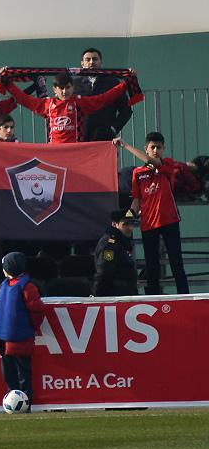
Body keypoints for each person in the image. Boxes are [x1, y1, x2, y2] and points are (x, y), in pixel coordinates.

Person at [114, 132, 189, 294]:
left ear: (163, 149)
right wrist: (125, 219)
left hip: (169, 221)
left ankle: (184, 297)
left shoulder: (167, 164)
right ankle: (154, 298)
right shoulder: (138, 173)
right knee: (151, 265)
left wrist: (126, 146)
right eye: (152, 147)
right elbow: (136, 201)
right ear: (146, 148)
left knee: (176, 263)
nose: (155, 150)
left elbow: (151, 162)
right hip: (148, 224)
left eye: (158, 147)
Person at [3, 69, 129, 143]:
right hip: (54, 153)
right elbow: (24, 99)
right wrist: (7, 83)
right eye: (61, 88)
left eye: (68, 87)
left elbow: (103, 99)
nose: (64, 91)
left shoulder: (79, 102)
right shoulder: (47, 104)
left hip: (76, 152)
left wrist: (125, 84)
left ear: (72, 87)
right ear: (54, 89)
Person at [0, 252, 45, 407]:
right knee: (8, 373)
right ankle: (13, 401)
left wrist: (30, 327)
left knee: (23, 373)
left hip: (20, 337)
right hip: (3, 338)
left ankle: (25, 402)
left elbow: (37, 311)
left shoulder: (27, 286)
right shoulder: (5, 284)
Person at [74, 48, 133, 142]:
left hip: (104, 138)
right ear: (82, 64)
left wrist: (113, 129)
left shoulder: (112, 83)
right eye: (88, 59)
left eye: (95, 59)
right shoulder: (74, 85)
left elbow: (126, 110)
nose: (91, 62)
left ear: (101, 62)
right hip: (79, 138)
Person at [93, 210, 139, 297]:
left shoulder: (121, 242)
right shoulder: (110, 244)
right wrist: (98, 296)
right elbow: (104, 272)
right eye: (125, 224)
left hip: (123, 294)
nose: (130, 228)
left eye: (131, 224)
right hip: (114, 295)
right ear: (115, 224)